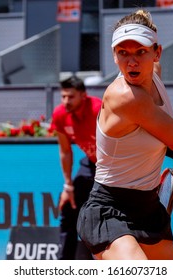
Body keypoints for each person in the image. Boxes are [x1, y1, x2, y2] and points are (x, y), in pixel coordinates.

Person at [77, 9, 173, 260]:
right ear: (114, 56)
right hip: (109, 209)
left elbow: (159, 135)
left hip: (148, 210)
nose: (131, 62)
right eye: (123, 53)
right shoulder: (124, 96)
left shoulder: (154, 76)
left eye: (140, 52)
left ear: (157, 53)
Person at [50, 75, 102, 260]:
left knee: (100, 214)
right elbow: (65, 151)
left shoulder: (99, 109)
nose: (66, 101)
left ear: (83, 95)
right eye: (63, 96)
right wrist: (68, 186)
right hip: (90, 163)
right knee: (68, 206)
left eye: (71, 97)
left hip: (113, 166)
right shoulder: (60, 114)